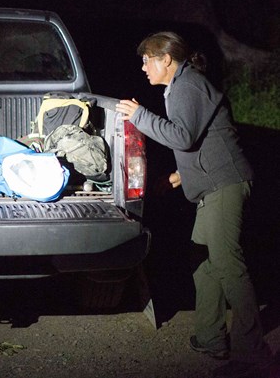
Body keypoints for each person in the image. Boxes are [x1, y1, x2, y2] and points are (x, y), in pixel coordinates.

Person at [115, 32, 274, 378]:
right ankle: (211, 336)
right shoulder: (181, 86)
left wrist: (140, 116)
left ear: (166, 59)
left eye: (147, 60)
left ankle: (253, 353)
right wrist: (178, 177)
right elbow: (205, 139)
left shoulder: (188, 86)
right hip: (211, 184)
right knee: (201, 257)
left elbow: (182, 136)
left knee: (228, 263)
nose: (143, 67)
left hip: (224, 185)